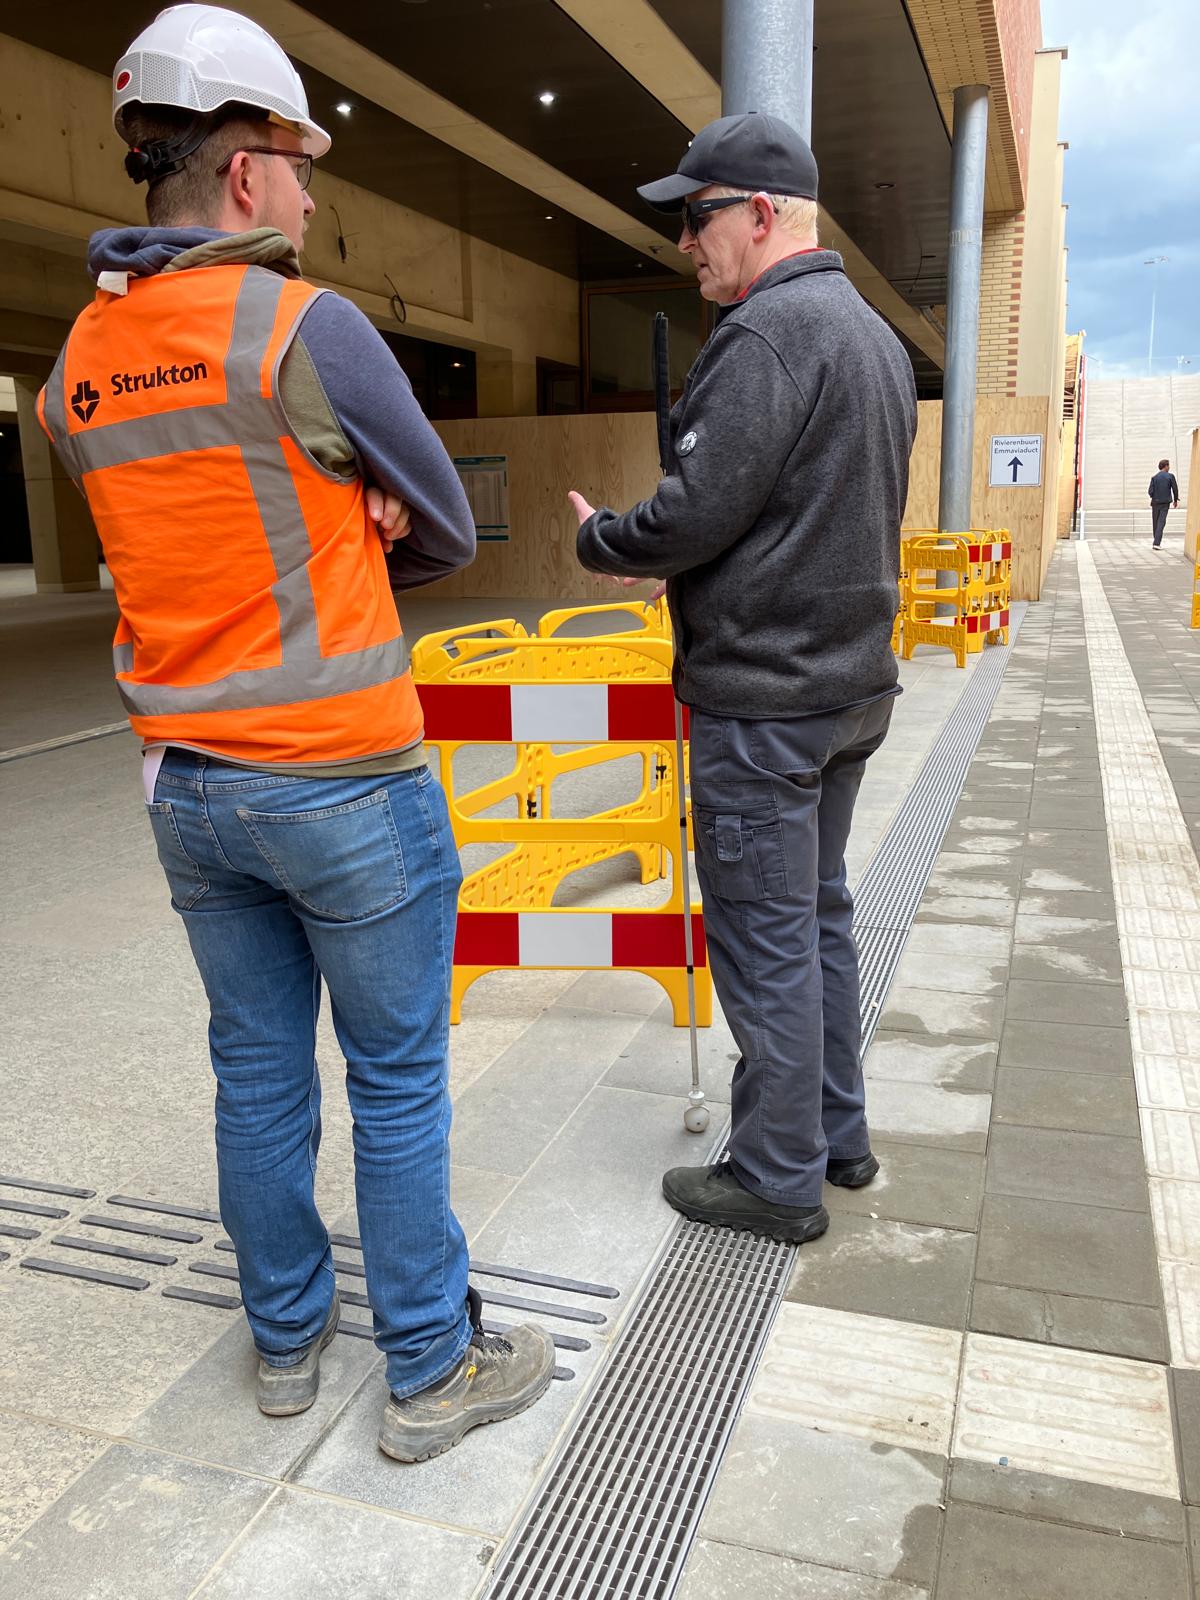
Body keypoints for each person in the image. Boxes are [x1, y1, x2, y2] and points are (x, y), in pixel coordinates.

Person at [38, 3, 553, 1462]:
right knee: (395, 1078)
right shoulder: (304, 325)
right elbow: (454, 525)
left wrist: (324, 511)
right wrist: (363, 516)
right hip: (340, 775)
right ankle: (431, 1372)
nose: (317, 196)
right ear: (250, 173)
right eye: (307, 165)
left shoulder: (78, 360)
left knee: (255, 1071)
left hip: (188, 789)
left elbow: (183, 540)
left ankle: (282, 1345)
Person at [569, 113, 918, 1245]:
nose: (685, 242)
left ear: (761, 214)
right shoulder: (867, 337)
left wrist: (605, 542)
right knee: (815, 919)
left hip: (767, 703)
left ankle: (774, 1174)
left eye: (698, 215)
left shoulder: (769, 335)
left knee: (765, 938)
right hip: (849, 690)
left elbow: (697, 509)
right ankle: (836, 1136)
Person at [1149, 458, 1180, 548]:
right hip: (1165, 503)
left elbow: (1150, 491)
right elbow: (1175, 489)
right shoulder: (1170, 476)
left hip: (1155, 503)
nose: (1169, 467)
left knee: (1155, 522)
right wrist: (1175, 500)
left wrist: (1155, 497)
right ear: (1165, 466)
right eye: (1168, 465)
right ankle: (1156, 543)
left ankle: (1156, 540)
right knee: (1161, 522)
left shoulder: (1154, 477)